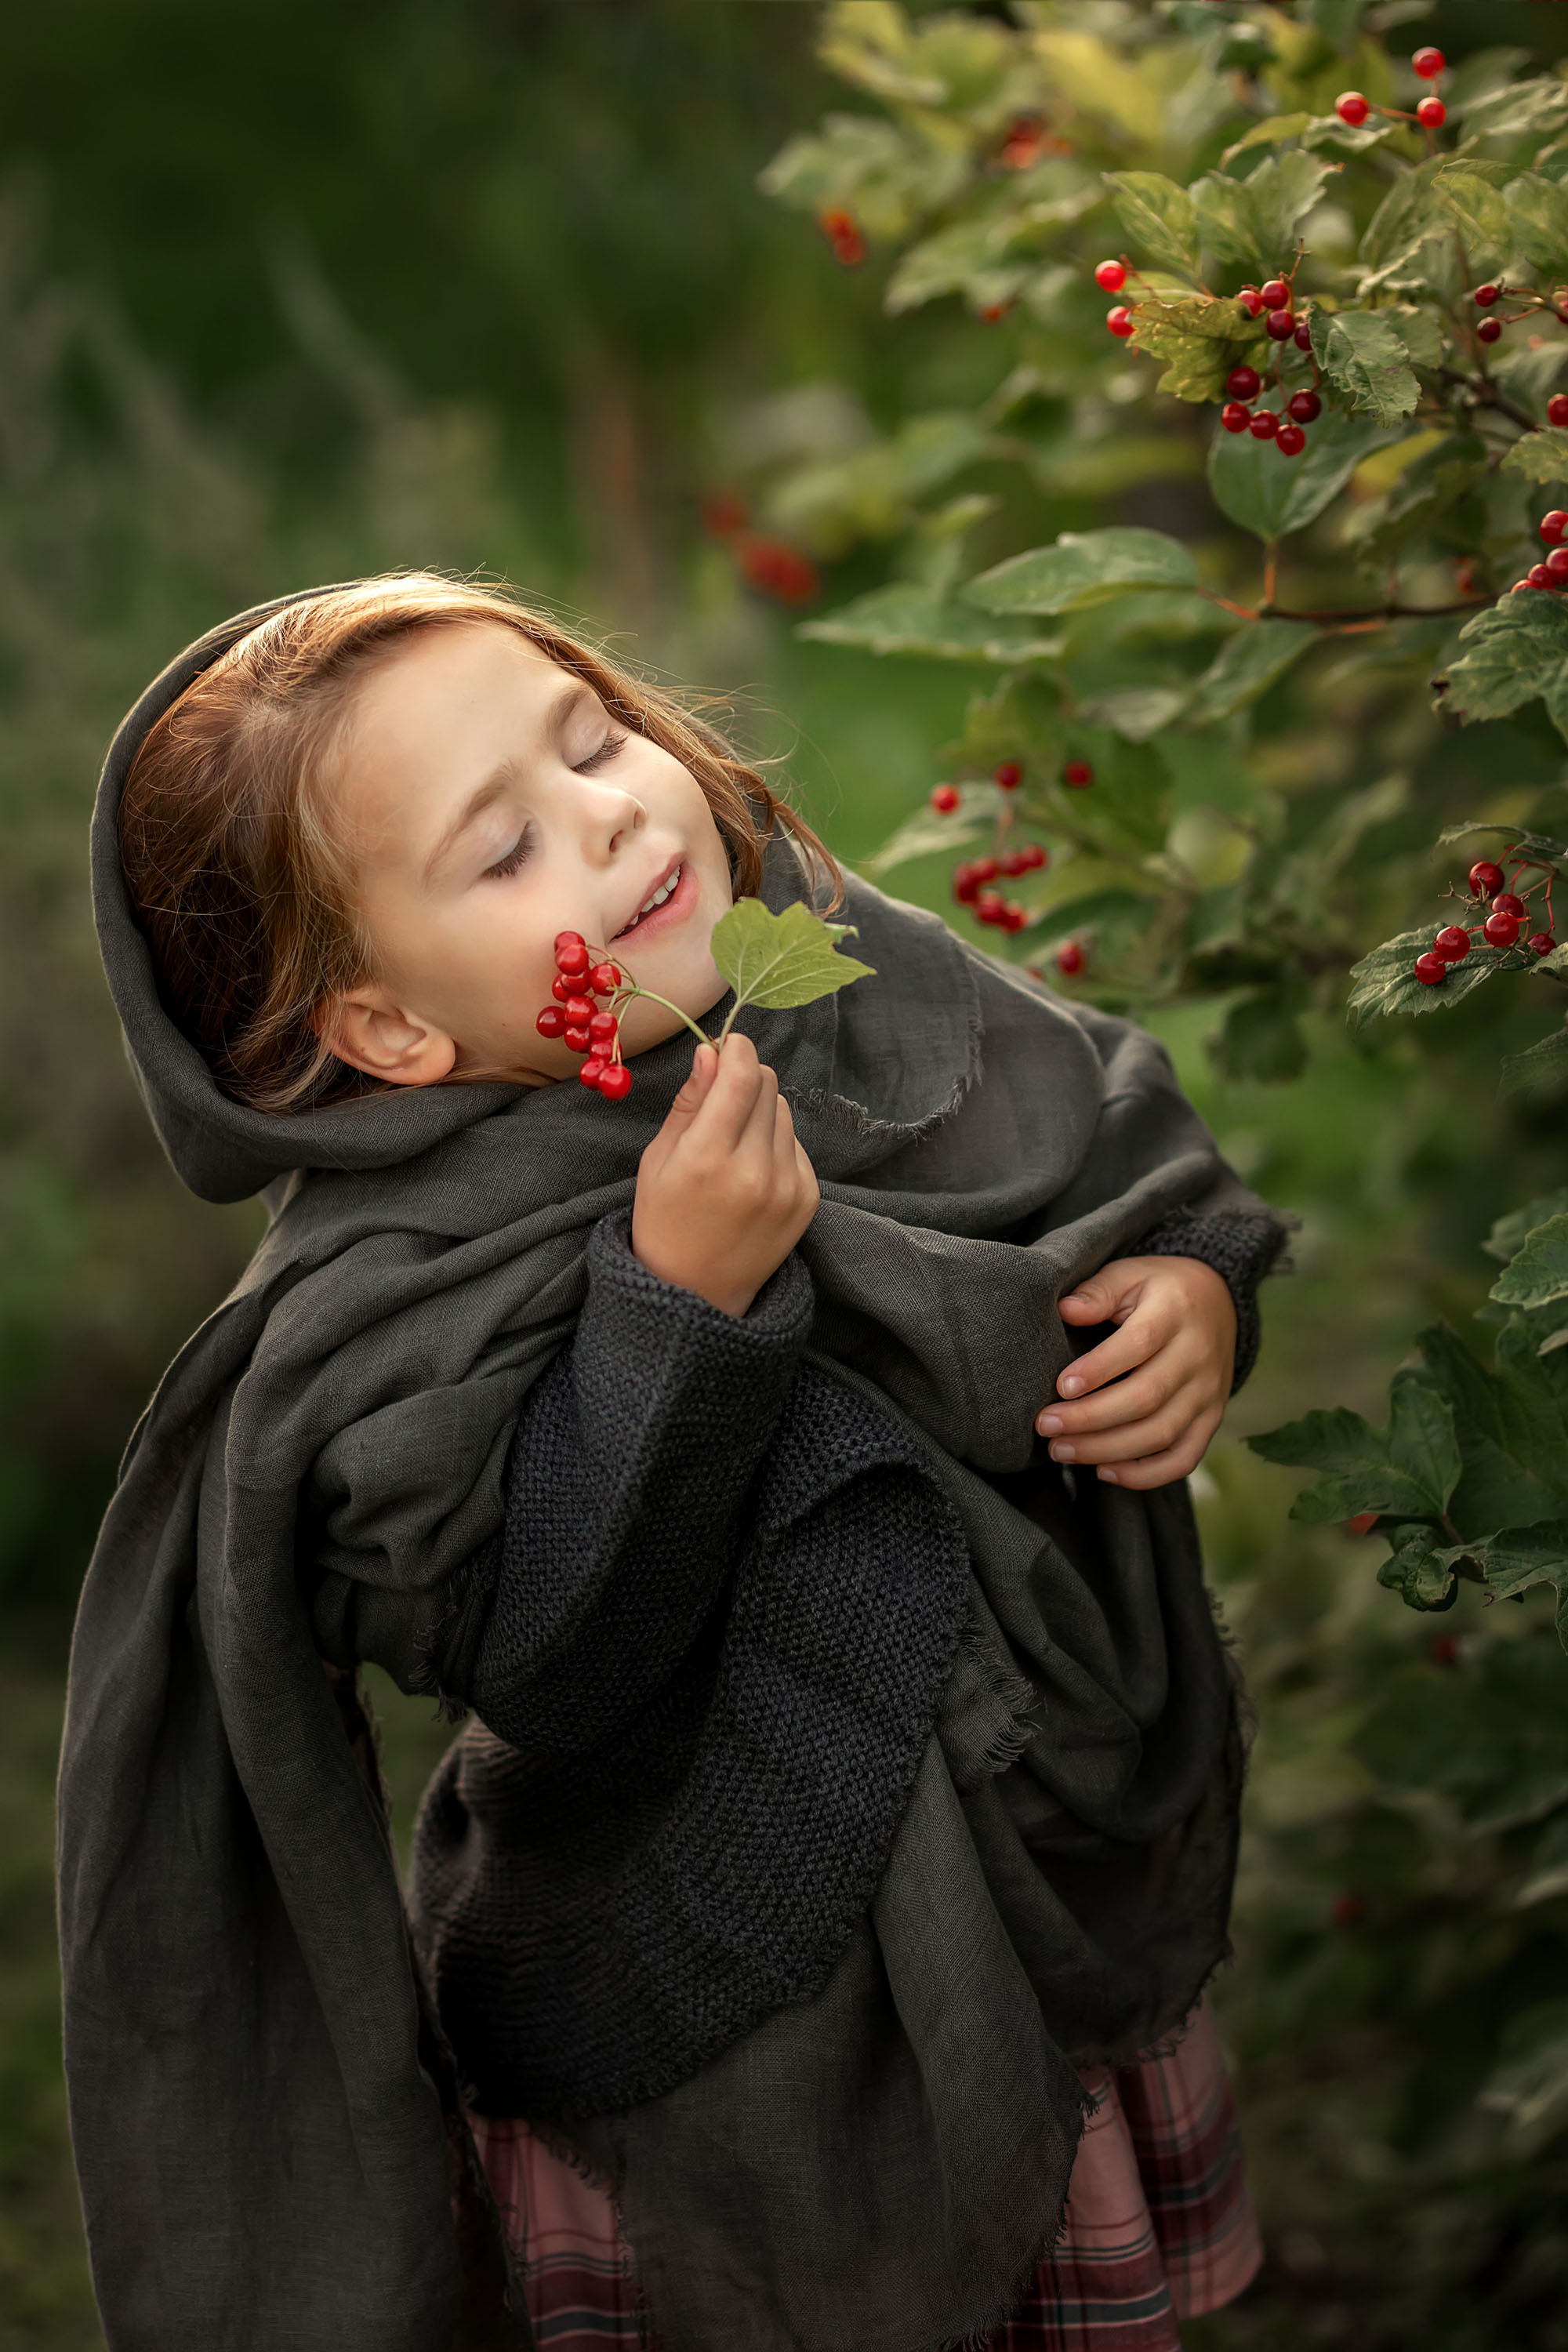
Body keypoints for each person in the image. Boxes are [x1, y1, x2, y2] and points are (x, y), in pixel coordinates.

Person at [61, 573, 1287, 2352]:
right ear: (392, 1030)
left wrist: (1192, 1288)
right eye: (504, 852)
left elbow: (1101, 1133)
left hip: (1031, 1872)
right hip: (719, 1999)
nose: (617, 806)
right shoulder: (399, 1296)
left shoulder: (832, 974)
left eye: (591, 737)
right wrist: (678, 1310)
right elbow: (555, 1658)